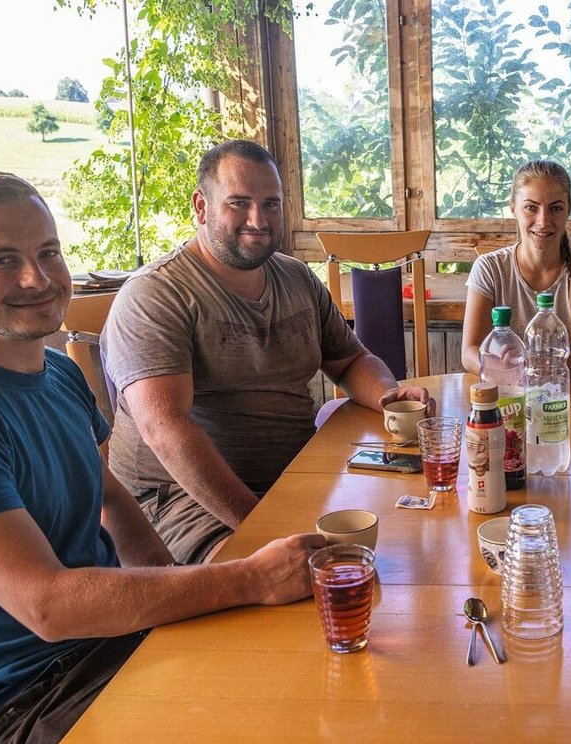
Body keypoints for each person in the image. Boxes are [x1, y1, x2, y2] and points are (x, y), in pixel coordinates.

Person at [0, 170, 325, 744]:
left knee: (302, 679)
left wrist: (179, 603)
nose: (38, 279)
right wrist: (246, 578)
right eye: (3, 261)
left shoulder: (57, 376)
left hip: (103, 652)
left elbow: (113, 503)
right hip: (16, 708)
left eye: (48, 253)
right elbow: (49, 606)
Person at [103, 140, 431, 564]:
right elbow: (165, 429)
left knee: (415, 533)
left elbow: (351, 360)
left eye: (270, 204)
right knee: (307, 585)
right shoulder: (156, 295)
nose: (258, 220)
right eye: (238, 203)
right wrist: (262, 525)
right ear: (201, 207)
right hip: (185, 502)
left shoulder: (295, 277)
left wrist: (389, 394)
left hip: (293, 478)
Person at [461, 160, 571, 376]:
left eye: (556, 208)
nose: (543, 221)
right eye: (531, 208)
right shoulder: (489, 268)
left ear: (569, 209)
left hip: (569, 396)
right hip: (509, 394)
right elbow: (469, 353)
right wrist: (506, 369)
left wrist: (534, 365)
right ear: (513, 208)